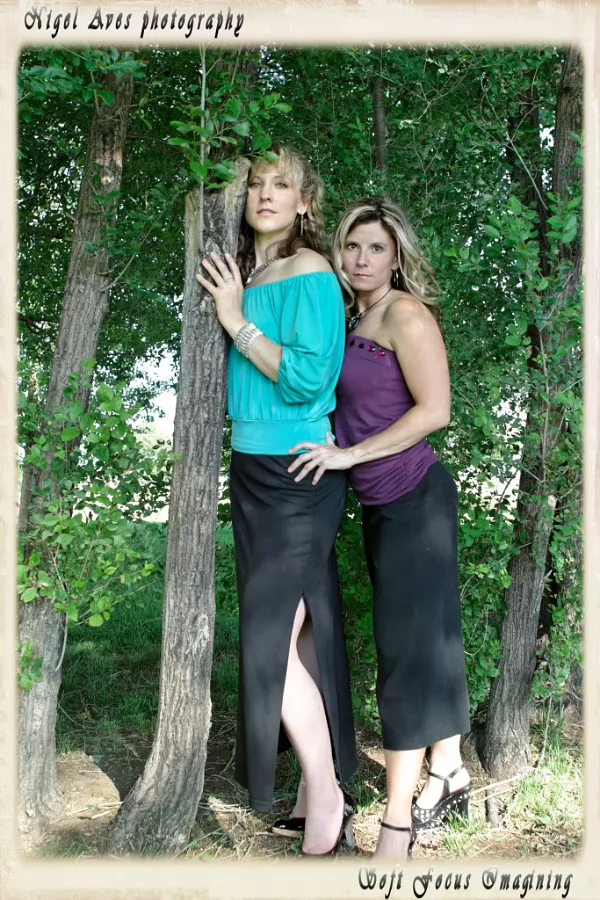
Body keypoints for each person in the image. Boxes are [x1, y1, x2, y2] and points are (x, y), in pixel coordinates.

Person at [288, 198, 471, 860]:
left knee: (406, 658)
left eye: (376, 249)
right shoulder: (350, 318)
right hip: (381, 509)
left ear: (396, 259)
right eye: (352, 246)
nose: (361, 259)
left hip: (416, 502)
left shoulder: (404, 314)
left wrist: (350, 455)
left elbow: (436, 410)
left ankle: (397, 828)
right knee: (420, 647)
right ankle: (449, 770)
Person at [196, 145, 357, 856]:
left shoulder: (312, 271)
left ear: (304, 203)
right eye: (256, 183)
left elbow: (309, 380)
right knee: (301, 634)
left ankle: (327, 792)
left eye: (281, 184)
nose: (265, 194)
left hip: (298, 473)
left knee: (270, 641)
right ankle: (312, 792)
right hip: (253, 471)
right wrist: (236, 301)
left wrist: (236, 320)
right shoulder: (249, 271)